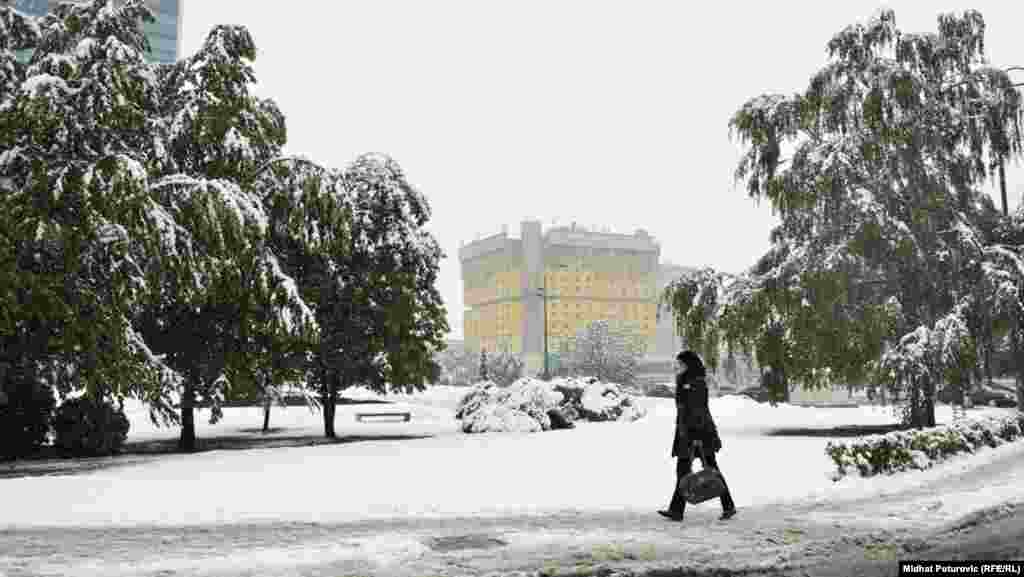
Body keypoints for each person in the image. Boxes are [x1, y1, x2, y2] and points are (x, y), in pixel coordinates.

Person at [659, 350, 737, 522]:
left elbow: (698, 410)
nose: (676, 367)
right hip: (687, 432)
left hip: (698, 434)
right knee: (685, 472)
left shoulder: (696, 382)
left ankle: (727, 506)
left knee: (710, 471)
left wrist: (695, 435)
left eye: (680, 364)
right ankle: (677, 510)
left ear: (688, 365)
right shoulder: (684, 380)